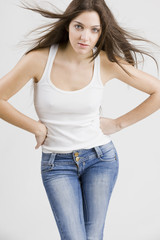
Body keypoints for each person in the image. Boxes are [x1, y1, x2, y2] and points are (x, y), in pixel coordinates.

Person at [0, 0, 160, 239]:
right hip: (57, 164)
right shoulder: (38, 59)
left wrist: (117, 124)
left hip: (100, 159)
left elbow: (157, 91)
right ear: (67, 26)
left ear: (101, 32)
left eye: (94, 30)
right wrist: (34, 126)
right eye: (79, 27)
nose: (85, 36)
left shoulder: (105, 62)